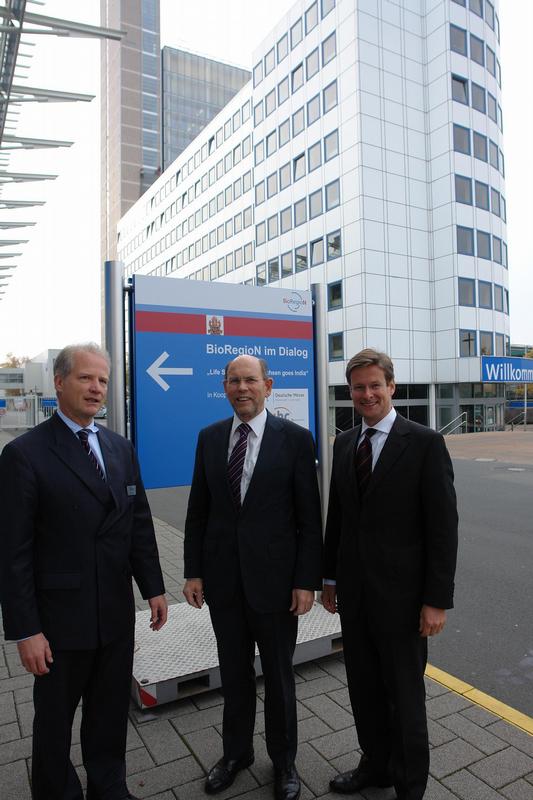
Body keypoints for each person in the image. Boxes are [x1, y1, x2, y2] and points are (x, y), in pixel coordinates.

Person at [0, 343, 167, 800]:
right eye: (86, 378)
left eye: (103, 381)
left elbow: (137, 522)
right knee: (53, 723)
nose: (96, 389)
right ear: (59, 382)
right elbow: (13, 553)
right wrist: (25, 630)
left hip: (114, 615)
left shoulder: (118, 447)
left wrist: (153, 587)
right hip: (58, 623)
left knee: (109, 714)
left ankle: (109, 787)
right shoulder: (24, 455)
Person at [183, 354, 322, 800]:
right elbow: (198, 512)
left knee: (279, 678)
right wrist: (193, 572)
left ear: (268, 385)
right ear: (224, 387)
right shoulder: (208, 438)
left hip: (277, 586)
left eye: (250, 380)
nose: (242, 388)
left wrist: (306, 580)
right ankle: (235, 754)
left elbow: (308, 517)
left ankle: (284, 763)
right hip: (224, 583)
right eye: (234, 381)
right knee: (234, 674)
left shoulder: (296, 440)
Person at [322, 349, 458, 800]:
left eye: (374, 385)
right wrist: (329, 578)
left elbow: (443, 529)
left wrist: (436, 600)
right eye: (358, 387)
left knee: (404, 699)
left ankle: (409, 787)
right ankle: (375, 766)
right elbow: (337, 519)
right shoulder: (345, 444)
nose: (366, 394)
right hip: (356, 597)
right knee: (363, 689)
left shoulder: (423, 443)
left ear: (391, 387)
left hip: (404, 602)